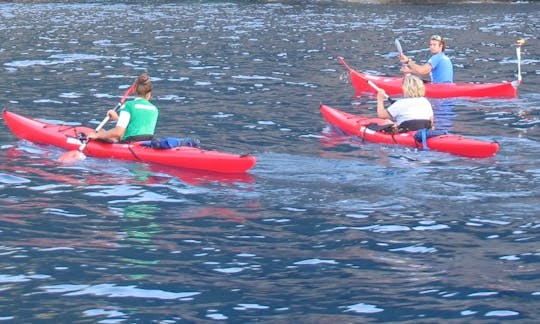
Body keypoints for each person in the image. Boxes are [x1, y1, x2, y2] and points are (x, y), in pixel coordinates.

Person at [87, 73, 159, 143]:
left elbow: (118, 132)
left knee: (101, 130)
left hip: (129, 143)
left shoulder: (128, 106)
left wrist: (97, 135)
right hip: (146, 143)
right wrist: (117, 118)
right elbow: (136, 126)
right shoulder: (154, 109)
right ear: (149, 93)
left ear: (134, 90)